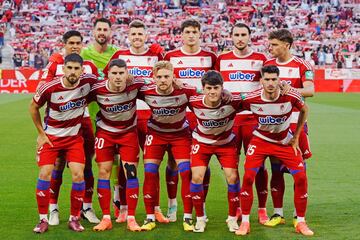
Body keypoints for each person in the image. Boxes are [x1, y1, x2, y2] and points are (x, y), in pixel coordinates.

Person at [235, 65, 313, 236]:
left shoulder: (290, 95)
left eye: (274, 79)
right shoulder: (251, 98)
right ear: (261, 81)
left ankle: (300, 221)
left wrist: (296, 135)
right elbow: (232, 104)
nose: (270, 83)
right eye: (267, 79)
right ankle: (245, 222)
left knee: (301, 177)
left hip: (284, 141)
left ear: (279, 80)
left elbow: (305, 109)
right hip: (261, 141)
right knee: (248, 177)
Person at [102, 20, 166, 223]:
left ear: (146, 36)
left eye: (140, 34)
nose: (137, 37)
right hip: (126, 117)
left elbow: (166, 74)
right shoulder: (120, 56)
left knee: (151, 165)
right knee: (123, 165)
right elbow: (108, 78)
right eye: (134, 34)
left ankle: (155, 207)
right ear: (128, 36)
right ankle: (123, 207)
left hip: (150, 116)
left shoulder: (155, 55)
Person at [30, 53, 98, 233]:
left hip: (74, 139)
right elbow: (33, 107)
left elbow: (109, 84)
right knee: (45, 173)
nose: (73, 72)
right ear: (64, 69)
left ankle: (74, 218)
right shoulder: (50, 88)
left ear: (82, 70)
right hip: (51, 138)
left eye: (77, 68)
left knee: (78, 175)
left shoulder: (88, 81)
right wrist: (41, 133)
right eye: (70, 68)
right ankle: (43, 219)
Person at [215, 22, 269, 224]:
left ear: (249, 37)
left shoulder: (260, 59)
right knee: (232, 166)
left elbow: (266, 86)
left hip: (253, 119)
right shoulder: (222, 59)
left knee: (259, 165)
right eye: (236, 34)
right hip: (229, 119)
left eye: (243, 34)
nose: (240, 38)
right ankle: (237, 206)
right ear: (231, 37)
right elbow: (215, 84)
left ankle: (262, 209)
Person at [163, 18, 217, 221]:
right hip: (178, 113)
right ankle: (172, 204)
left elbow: (217, 84)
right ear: (182, 35)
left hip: (203, 114)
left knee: (204, 160)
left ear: (200, 33)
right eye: (188, 32)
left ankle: (201, 204)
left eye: (195, 31)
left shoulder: (210, 57)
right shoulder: (170, 56)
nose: (191, 35)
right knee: (174, 161)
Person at [264, 29, 314, 228]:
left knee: (299, 171)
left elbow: (310, 90)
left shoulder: (302, 64)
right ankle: (278, 213)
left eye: (275, 44)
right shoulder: (267, 65)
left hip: (296, 123)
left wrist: (289, 90)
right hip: (275, 125)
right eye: (270, 44)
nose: (271, 47)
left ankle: (298, 216)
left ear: (287, 44)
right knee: (276, 170)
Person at [139, 61, 196, 232]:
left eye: (167, 76)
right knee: (149, 172)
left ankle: (187, 217)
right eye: (160, 77)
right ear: (154, 78)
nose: (163, 80)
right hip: (156, 134)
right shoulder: (146, 91)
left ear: (173, 77)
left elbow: (204, 92)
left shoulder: (185, 91)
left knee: (186, 172)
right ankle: (150, 217)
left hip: (180, 135)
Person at [89, 59, 143, 232]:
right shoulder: (97, 89)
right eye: (114, 73)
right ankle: (106, 218)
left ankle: (131, 218)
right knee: (104, 172)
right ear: (108, 75)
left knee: (131, 173)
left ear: (127, 73)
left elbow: (159, 84)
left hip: (128, 133)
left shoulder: (136, 85)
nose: (118, 77)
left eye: (121, 73)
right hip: (106, 133)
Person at [188, 70, 241, 233]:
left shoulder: (233, 102)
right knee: (196, 177)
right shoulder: (194, 101)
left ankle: (232, 218)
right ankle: (200, 218)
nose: (212, 92)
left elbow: (254, 97)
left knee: (232, 177)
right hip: (202, 142)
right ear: (203, 89)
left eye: (216, 88)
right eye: (209, 88)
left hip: (225, 144)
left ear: (222, 88)